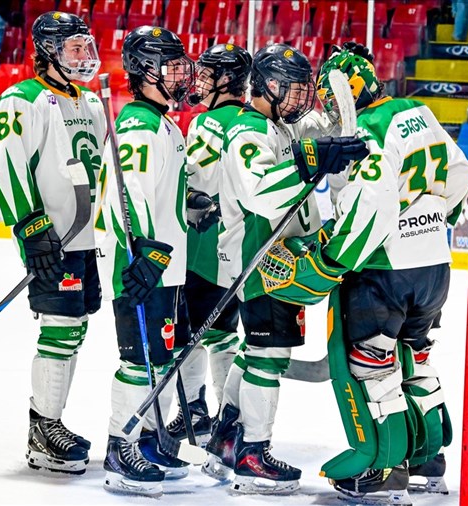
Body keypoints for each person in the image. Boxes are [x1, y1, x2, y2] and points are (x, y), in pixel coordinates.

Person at [269, 42, 468, 501]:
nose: (329, 106)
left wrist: (331, 259)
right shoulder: (417, 112)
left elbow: (371, 206)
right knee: (416, 358)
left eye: (330, 94)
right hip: (434, 267)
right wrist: (432, 220)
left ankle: (382, 469)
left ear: (348, 89)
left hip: (385, 271)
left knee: (373, 368)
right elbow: (459, 176)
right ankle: (427, 458)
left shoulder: (371, 131)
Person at [207, 43, 367, 494]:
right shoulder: (247, 132)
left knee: (254, 352)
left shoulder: (277, 126)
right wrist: (311, 160)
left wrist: (337, 121)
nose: (301, 101)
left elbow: (321, 132)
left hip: (279, 255)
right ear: (269, 85)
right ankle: (253, 452)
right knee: (268, 356)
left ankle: (227, 435)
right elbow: (259, 192)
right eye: (294, 92)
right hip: (261, 259)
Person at [0, 11, 104, 476]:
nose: (84, 56)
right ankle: (43, 429)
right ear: (49, 52)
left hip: (83, 237)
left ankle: (50, 424)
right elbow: (5, 166)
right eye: (75, 47)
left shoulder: (92, 103)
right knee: (59, 324)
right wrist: (30, 225)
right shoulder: (24, 99)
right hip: (49, 236)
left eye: (86, 46)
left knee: (74, 327)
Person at [94, 25, 197, 497]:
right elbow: (123, 197)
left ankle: (150, 440)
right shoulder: (139, 123)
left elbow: (158, 191)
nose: (179, 73)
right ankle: (121, 445)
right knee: (138, 360)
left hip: (164, 265)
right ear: (142, 71)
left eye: (180, 63)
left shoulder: (165, 122)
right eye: (168, 64)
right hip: (140, 266)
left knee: (161, 356)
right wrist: (146, 256)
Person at [164, 43, 252, 449]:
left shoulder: (206, 123)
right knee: (225, 335)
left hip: (203, 248)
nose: (199, 80)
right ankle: (228, 419)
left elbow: (194, 183)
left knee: (189, 336)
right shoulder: (257, 123)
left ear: (227, 80)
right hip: (242, 253)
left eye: (208, 73)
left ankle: (195, 411)